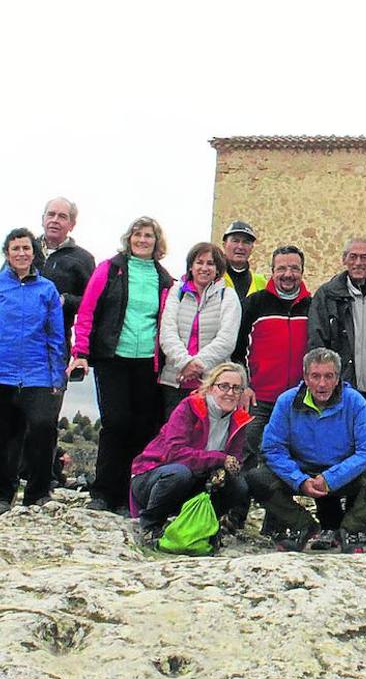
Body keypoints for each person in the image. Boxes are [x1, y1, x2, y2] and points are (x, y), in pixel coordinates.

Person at [69, 216, 174, 514]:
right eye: (138, 235)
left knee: (142, 427)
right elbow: (88, 310)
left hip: (147, 363)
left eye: (149, 236)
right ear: (129, 239)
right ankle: (102, 492)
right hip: (113, 357)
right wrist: (81, 352)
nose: (143, 240)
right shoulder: (110, 269)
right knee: (116, 423)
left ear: (157, 242)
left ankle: (129, 494)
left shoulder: (164, 278)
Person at [247, 348, 366, 553]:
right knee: (256, 477)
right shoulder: (287, 401)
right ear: (305, 377)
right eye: (315, 376)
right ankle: (303, 526)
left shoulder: (354, 401)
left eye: (328, 376)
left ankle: (349, 531)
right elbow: (272, 448)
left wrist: (331, 478)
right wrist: (299, 479)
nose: (322, 384)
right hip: (301, 472)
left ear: (337, 378)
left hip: (341, 473)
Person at [129, 363, 251, 541]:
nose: (230, 393)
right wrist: (219, 459)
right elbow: (175, 453)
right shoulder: (189, 407)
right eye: (223, 386)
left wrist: (225, 469)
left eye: (236, 388)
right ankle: (150, 526)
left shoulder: (238, 420)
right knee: (180, 473)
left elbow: (235, 459)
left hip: (195, 481)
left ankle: (206, 527)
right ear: (210, 387)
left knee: (238, 485)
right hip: (154, 476)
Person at [0, 228, 65, 513]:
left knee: (42, 430)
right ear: (7, 253)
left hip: (39, 374)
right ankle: (3, 494)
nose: (21, 253)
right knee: (6, 436)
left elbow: (55, 335)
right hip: (3, 373)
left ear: (33, 252)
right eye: (15, 249)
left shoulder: (47, 289)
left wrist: (56, 374)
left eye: (26, 248)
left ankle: (38, 492)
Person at [231, 246, 312, 469]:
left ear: (302, 271)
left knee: (291, 459)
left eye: (294, 268)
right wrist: (243, 385)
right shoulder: (254, 304)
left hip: (299, 399)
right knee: (246, 456)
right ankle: (239, 504)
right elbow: (236, 351)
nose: (288, 274)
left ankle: (282, 504)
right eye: (282, 268)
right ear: (272, 271)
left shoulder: (312, 307)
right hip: (258, 399)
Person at [308, 237, 366, 428]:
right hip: (341, 386)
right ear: (344, 260)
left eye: (364, 257)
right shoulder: (327, 295)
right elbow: (317, 342)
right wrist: (324, 380)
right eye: (353, 257)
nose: (358, 263)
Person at [158, 243, 241, 417]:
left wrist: (196, 366)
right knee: (174, 438)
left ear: (218, 269)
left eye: (210, 263)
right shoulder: (177, 292)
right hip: (175, 382)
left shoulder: (228, 295)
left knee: (206, 439)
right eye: (199, 262)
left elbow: (226, 340)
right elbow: (167, 333)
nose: (204, 268)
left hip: (212, 384)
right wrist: (185, 363)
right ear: (191, 266)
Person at [33, 197, 95, 355]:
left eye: (62, 216)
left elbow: (92, 303)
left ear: (72, 225)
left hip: (56, 343)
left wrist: (65, 300)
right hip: (15, 341)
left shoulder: (83, 259)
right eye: (51, 214)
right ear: (43, 219)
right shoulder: (24, 249)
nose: (55, 220)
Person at [221, 221, 266, 306]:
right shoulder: (213, 279)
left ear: (252, 248)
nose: (240, 247)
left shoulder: (262, 283)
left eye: (246, 242)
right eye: (235, 241)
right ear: (224, 245)